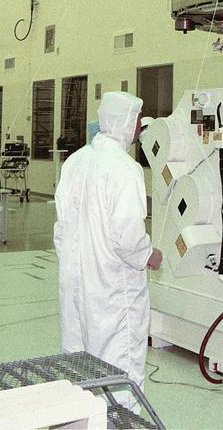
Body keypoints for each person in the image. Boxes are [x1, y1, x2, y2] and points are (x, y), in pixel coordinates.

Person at [54, 92, 161, 400]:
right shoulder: (125, 169)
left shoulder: (75, 162)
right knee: (119, 373)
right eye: (138, 120)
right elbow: (127, 238)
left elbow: (62, 230)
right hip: (113, 291)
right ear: (129, 122)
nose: (140, 128)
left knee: (78, 368)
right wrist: (149, 254)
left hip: (75, 284)